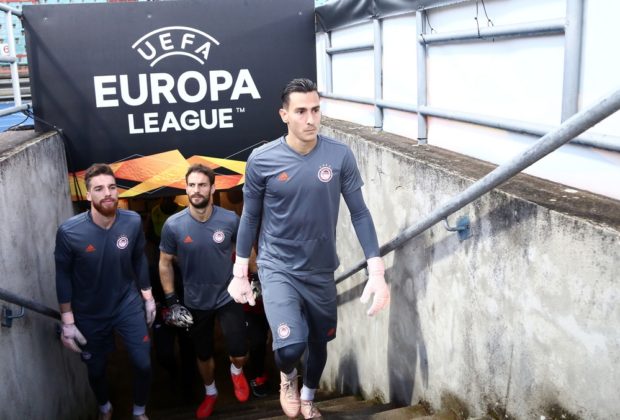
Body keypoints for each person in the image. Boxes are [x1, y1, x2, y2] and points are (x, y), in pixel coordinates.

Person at [228, 78, 391, 419]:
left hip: (320, 268)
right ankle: (288, 377)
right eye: (301, 111)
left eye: (315, 110)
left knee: (320, 341)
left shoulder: (339, 155)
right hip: (278, 267)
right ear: (284, 115)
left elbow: (360, 213)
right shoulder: (262, 159)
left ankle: (308, 396)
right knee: (291, 346)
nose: (310, 119)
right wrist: (241, 271)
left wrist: (376, 269)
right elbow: (250, 216)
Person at [54, 163, 155, 420]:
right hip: (89, 312)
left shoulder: (132, 221)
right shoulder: (69, 232)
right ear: (88, 195)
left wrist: (148, 297)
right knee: (96, 369)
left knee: (143, 363)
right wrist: (68, 321)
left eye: (111, 187)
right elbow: (63, 275)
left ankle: (139, 411)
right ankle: (104, 407)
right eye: (99, 189)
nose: (107, 193)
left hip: (126, 304)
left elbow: (138, 258)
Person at [159, 164, 250, 419]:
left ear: (212, 188)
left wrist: (251, 278)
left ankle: (236, 371)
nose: (196, 190)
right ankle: (211, 392)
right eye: (191, 185)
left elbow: (246, 250)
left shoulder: (230, 219)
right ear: (186, 188)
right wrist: (171, 300)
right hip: (195, 300)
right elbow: (164, 262)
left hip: (228, 294)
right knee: (203, 353)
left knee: (239, 352)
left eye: (202, 185)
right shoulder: (173, 225)